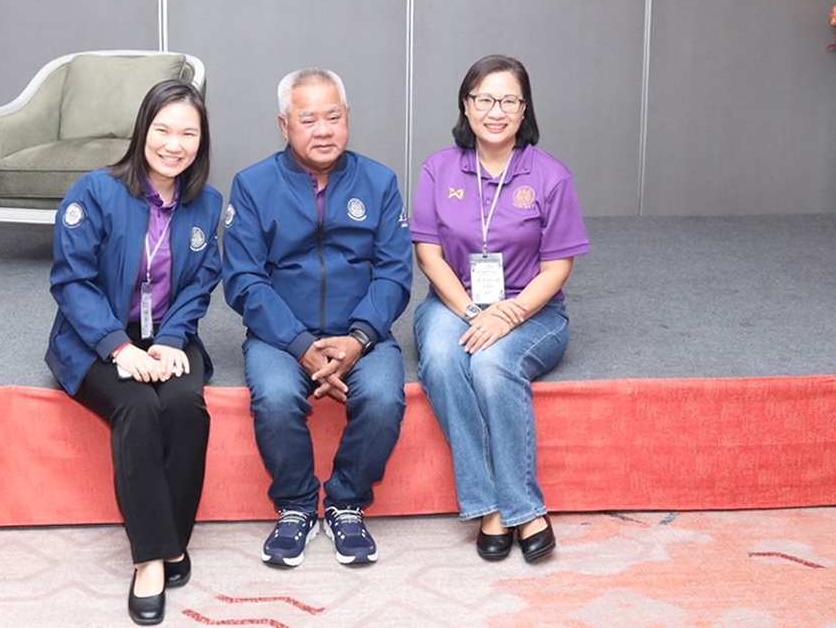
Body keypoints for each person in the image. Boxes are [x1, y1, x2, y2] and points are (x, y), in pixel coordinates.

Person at [46, 79, 223, 626]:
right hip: (95, 337)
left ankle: (173, 541)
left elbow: (202, 281)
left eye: (188, 134)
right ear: (143, 130)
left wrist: (171, 339)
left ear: (202, 141)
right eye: (163, 130)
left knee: (186, 405)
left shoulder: (207, 203)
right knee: (140, 407)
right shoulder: (95, 192)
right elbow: (72, 281)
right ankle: (151, 559)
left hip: (167, 334)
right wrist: (118, 347)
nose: (174, 144)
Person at [222, 68, 412, 568]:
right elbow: (243, 279)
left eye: (333, 117)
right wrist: (299, 344)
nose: (323, 131)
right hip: (279, 335)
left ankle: (347, 502)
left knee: (383, 398)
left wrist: (359, 338)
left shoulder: (380, 181)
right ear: (284, 125)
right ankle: (297, 506)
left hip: (363, 332)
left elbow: (394, 273)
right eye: (308, 120)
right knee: (276, 398)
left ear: (347, 117)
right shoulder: (253, 185)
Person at [411, 55, 589, 564]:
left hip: (534, 310)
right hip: (454, 301)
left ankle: (520, 506)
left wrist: (508, 314)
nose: (496, 111)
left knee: (491, 363)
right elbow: (429, 255)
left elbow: (557, 268)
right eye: (485, 99)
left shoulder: (551, 175)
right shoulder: (440, 168)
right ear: (466, 106)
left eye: (509, 100)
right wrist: (473, 312)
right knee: (443, 358)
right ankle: (492, 503)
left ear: (524, 108)